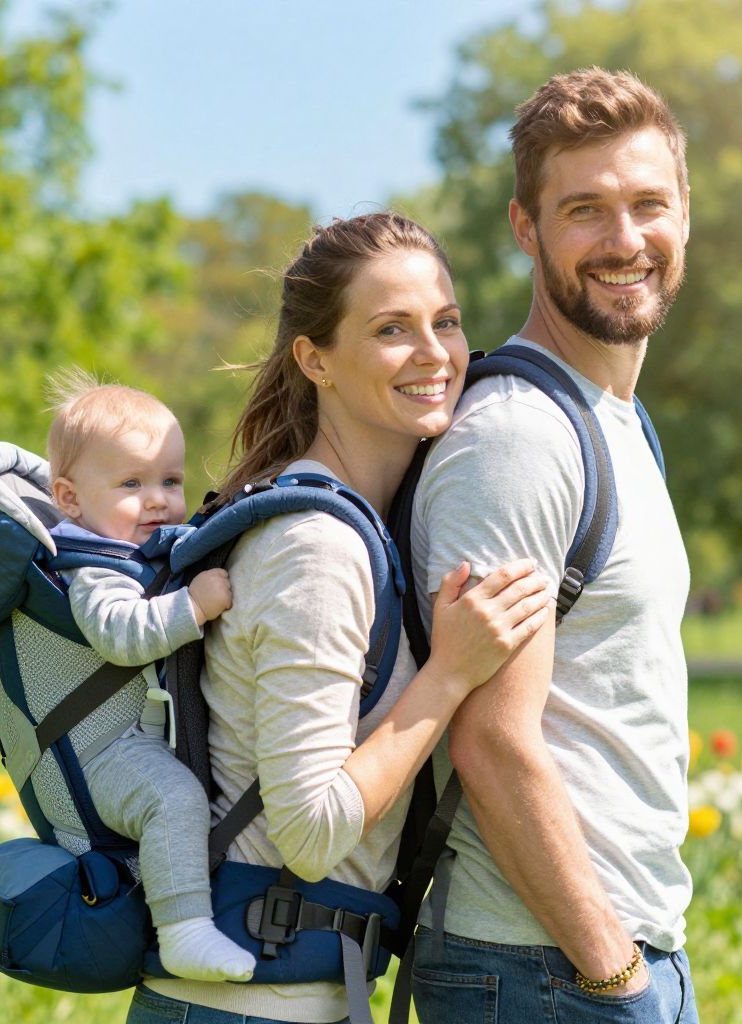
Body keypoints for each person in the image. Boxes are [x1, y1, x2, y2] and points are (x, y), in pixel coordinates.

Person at [128, 212, 555, 1024]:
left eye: (447, 321)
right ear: (314, 358)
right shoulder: (315, 548)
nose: (434, 352)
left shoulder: (355, 523)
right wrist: (450, 675)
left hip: (289, 996)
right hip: (244, 1007)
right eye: (392, 329)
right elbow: (311, 830)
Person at [409, 68, 698, 1022]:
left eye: (649, 204)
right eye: (586, 210)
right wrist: (614, 974)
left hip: (609, 956)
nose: (626, 241)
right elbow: (491, 739)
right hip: (540, 972)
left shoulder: (615, 420)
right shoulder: (519, 441)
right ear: (526, 228)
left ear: (684, 215)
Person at [44, 371, 256, 982]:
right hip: (97, 751)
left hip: (122, 737)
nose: (159, 498)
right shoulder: (92, 569)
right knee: (173, 796)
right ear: (70, 497)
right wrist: (194, 606)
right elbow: (121, 635)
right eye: (132, 483)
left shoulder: (134, 553)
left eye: (170, 479)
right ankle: (184, 932)